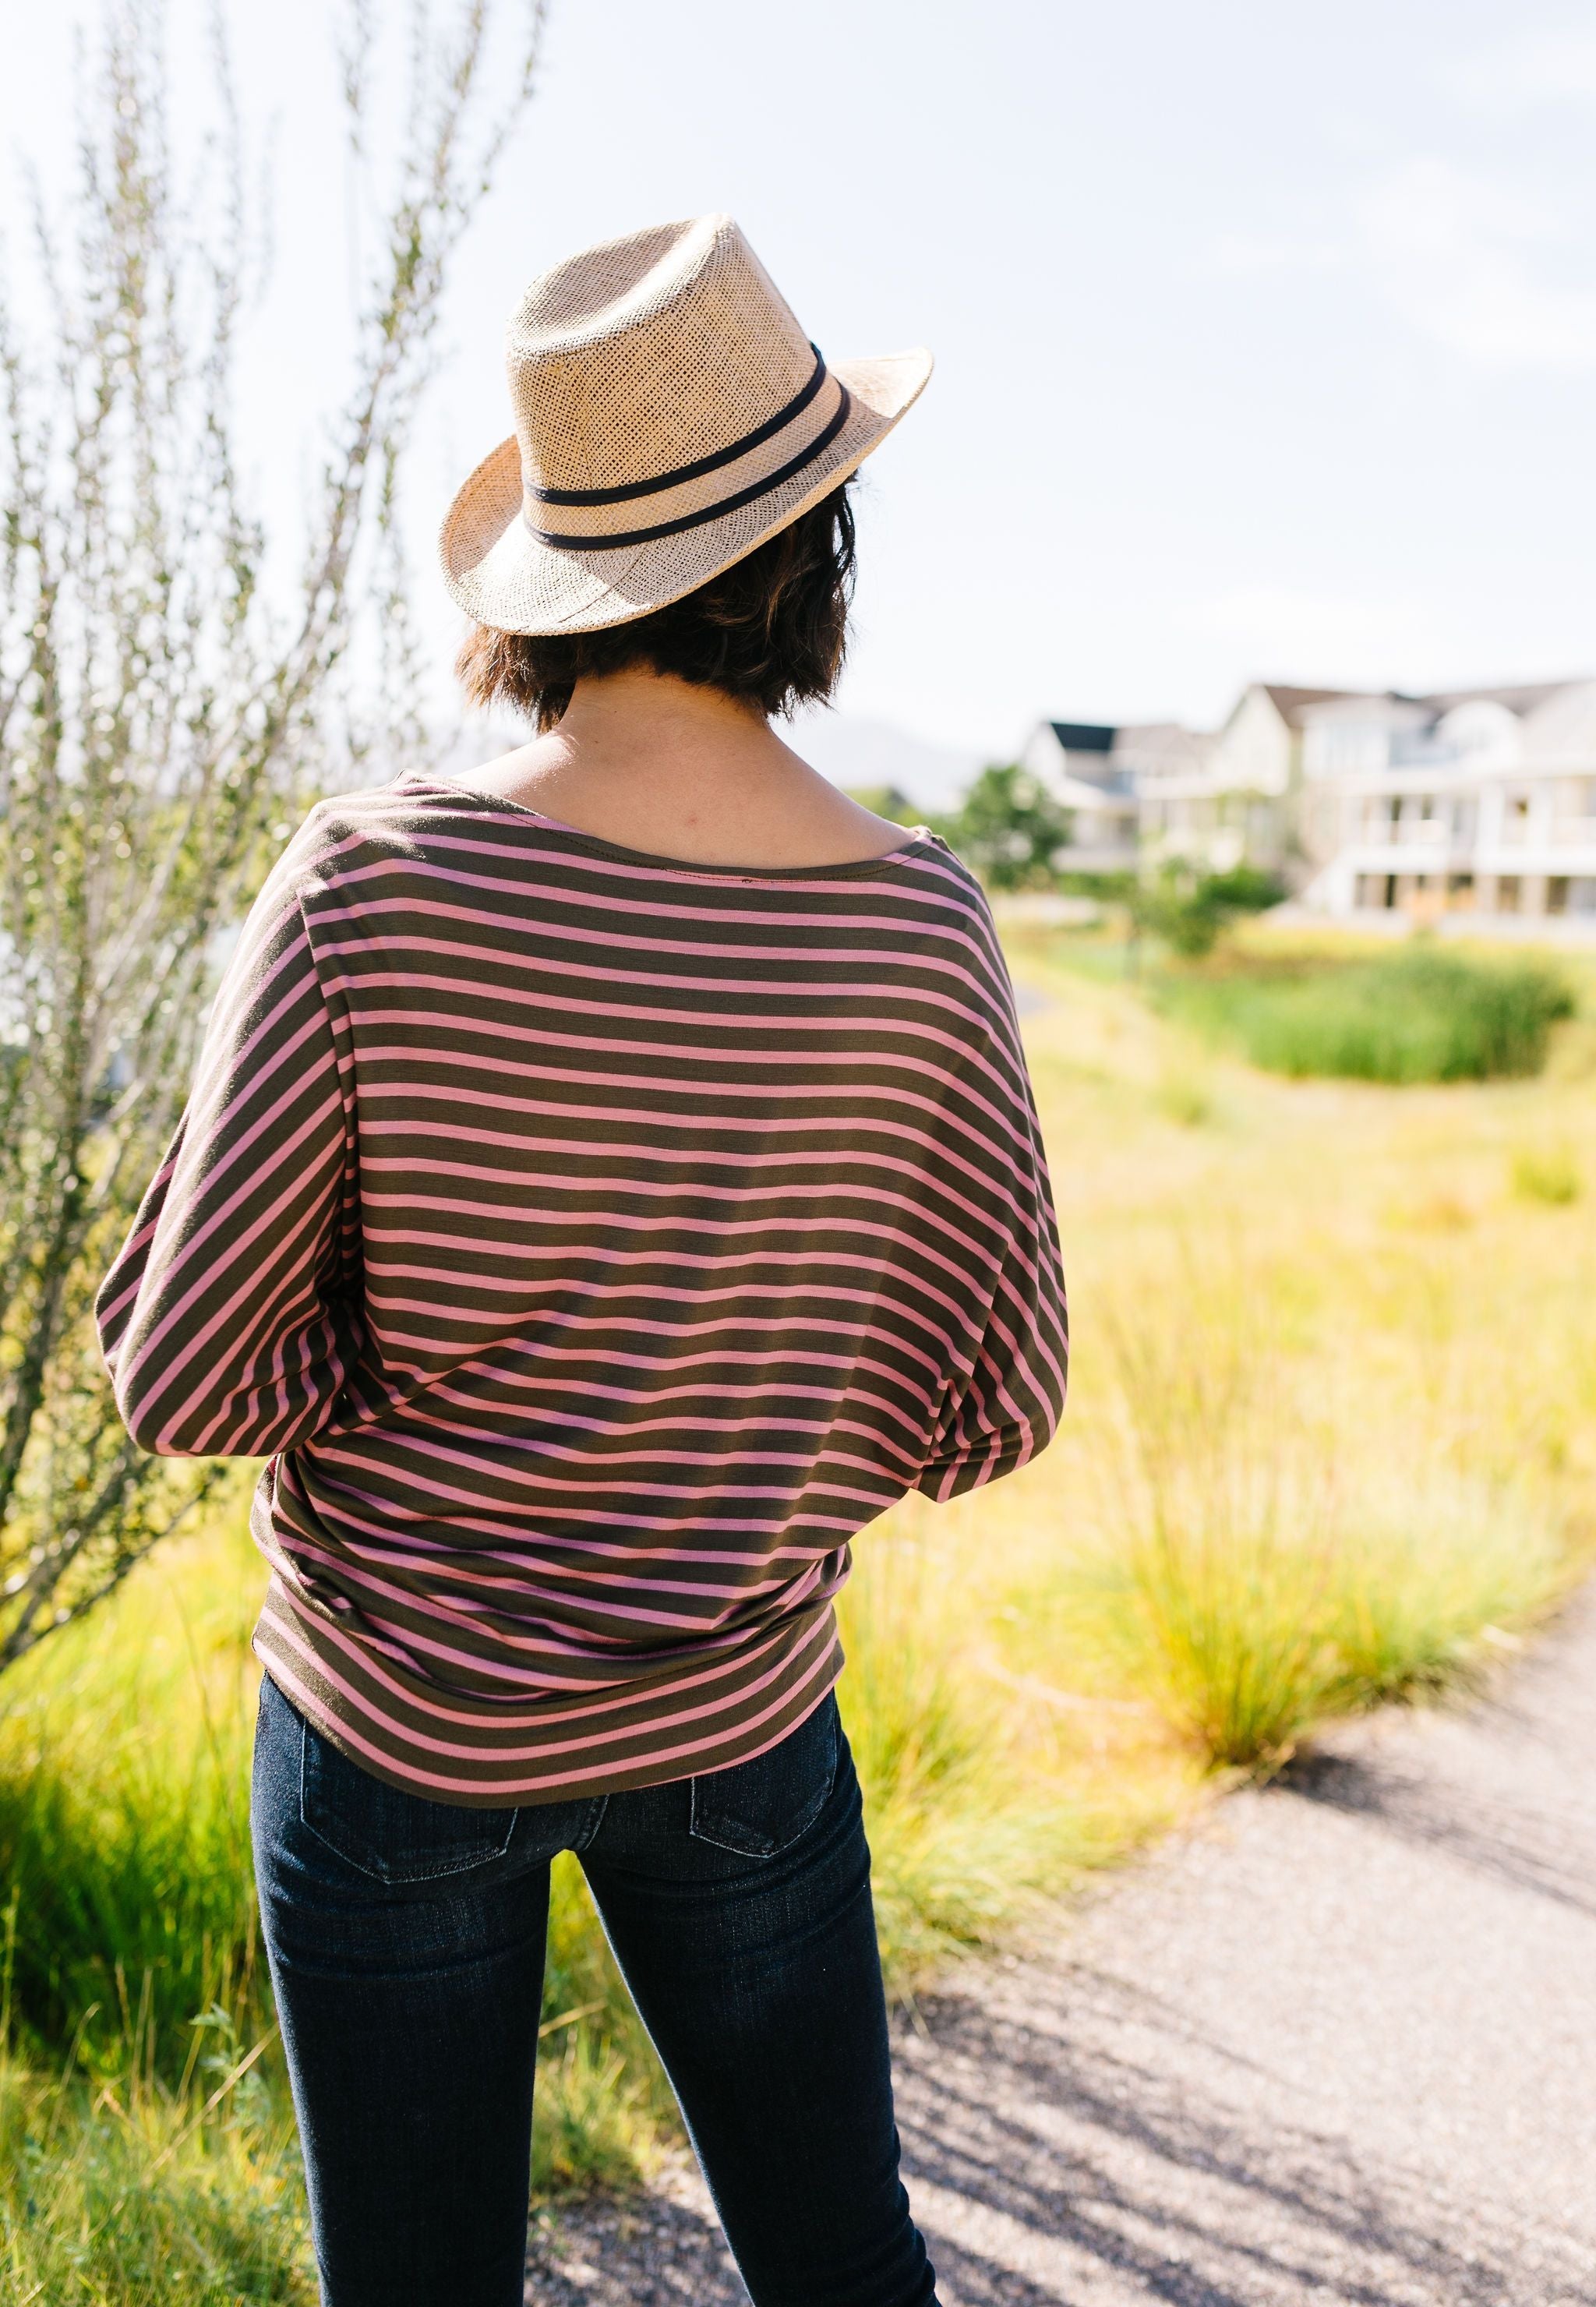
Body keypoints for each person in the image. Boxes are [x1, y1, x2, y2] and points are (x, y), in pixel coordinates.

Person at [96, 214, 1068, 2307]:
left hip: (396, 1728)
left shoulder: (367, 883)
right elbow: (1002, 1406)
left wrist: (402, 1379)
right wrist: (752, 1431)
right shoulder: (926, 930)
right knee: (838, 2260)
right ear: (821, 553)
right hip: (743, 1711)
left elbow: (180, 1377)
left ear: (557, 579)